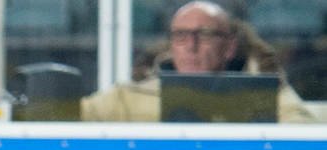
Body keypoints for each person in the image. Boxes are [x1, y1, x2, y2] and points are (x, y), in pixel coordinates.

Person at [81, 1, 315, 123]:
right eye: (181, 36)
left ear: (230, 46)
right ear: (172, 44)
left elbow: (299, 129)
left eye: (204, 35)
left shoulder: (262, 94)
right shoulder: (129, 98)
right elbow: (73, 117)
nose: (191, 46)